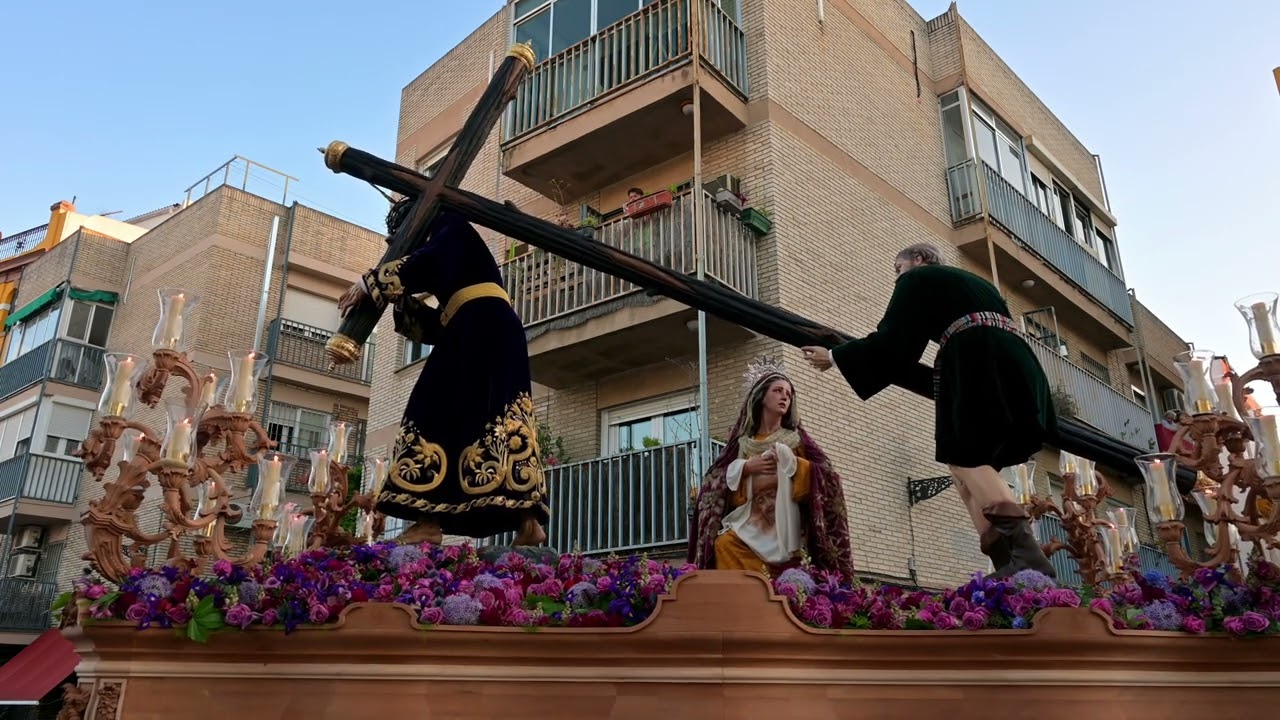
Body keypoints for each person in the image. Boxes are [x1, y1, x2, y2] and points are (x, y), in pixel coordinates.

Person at [800, 243, 1056, 579]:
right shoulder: (978, 285)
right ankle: (1005, 559)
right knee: (966, 471)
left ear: (918, 260)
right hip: (1018, 366)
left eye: (898, 268)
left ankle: (1026, 556)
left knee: (965, 457)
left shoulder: (918, 279)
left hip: (977, 357)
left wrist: (835, 357)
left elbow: (894, 340)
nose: (897, 278)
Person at [338, 202, 549, 546]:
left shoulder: (450, 224)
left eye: (402, 236)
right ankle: (528, 523)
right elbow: (438, 325)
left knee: (431, 409)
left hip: (478, 325)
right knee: (499, 417)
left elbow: (430, 261)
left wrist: (371, 281)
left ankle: (427, 521)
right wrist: (400, 297)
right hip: (491, 328)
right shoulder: (463, 268)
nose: (400, 245)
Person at [688, 356, 855, 578]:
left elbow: (828, 479)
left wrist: (794, 464)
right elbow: (720, 488)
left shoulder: (797, 441)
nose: (784, 397)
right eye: (777, 391)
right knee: (724, 543)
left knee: (794, 559)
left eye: (788, 394)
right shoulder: (743, 444)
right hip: (752, 520)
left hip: (785, 525)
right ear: (761, 397)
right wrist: (746, 468)